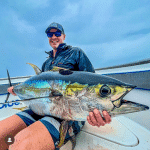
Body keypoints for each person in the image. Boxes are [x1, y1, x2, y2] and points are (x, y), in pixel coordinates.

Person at [0, 22, 111, 150]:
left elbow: (93, 85)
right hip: (40, 108)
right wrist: (16, 89)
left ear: (63, 36)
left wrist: (97, 112)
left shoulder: (76, 53)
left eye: (57, 33)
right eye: (50, 34)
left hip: (69, 115)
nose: (54, 37)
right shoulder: (46, 63)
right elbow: (37, 89)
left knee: (20, 146)